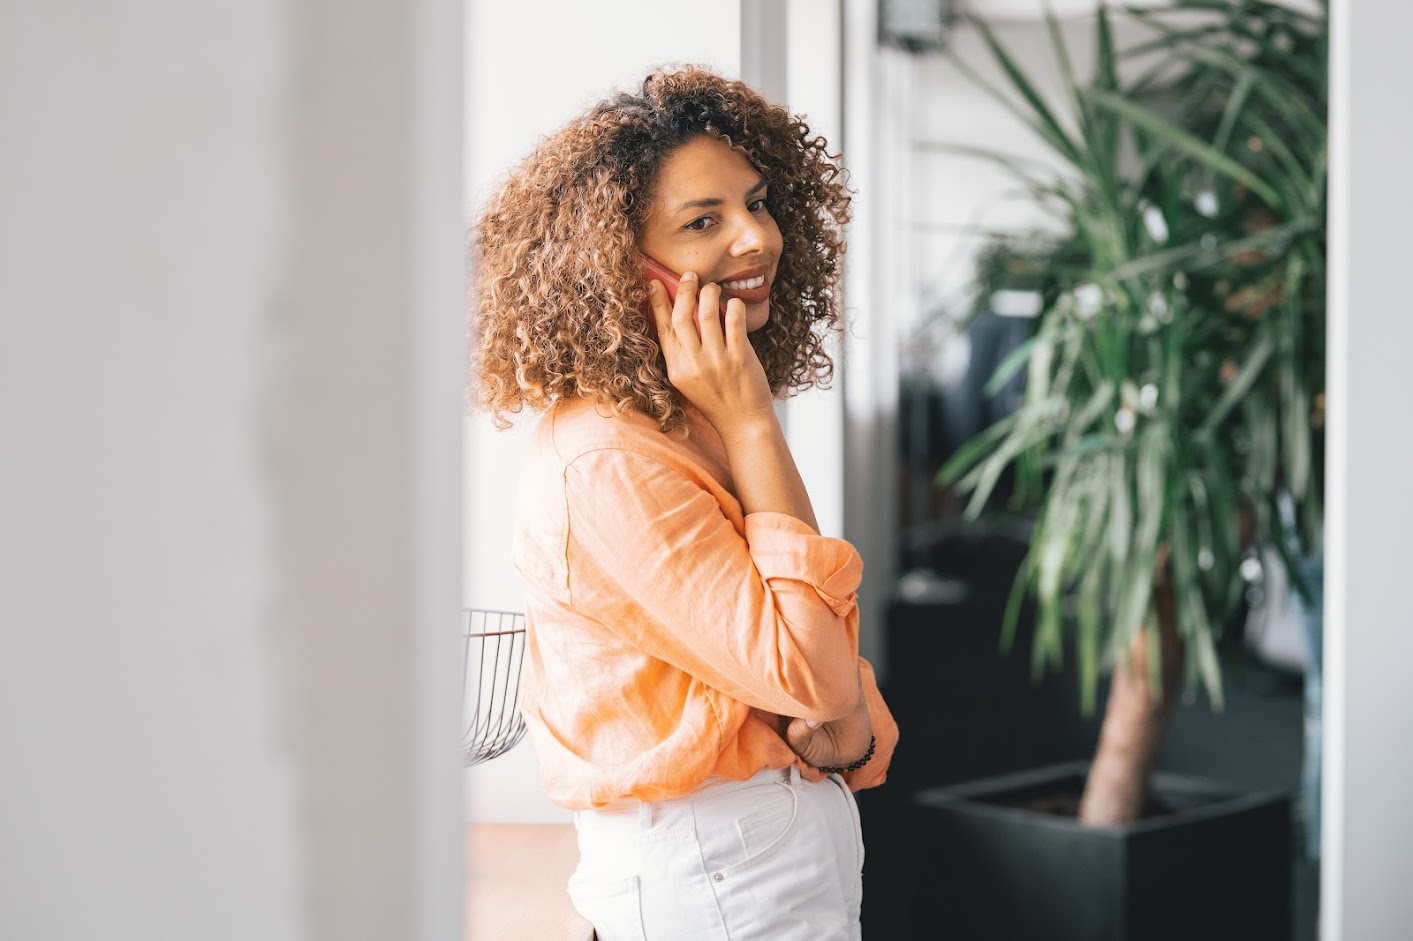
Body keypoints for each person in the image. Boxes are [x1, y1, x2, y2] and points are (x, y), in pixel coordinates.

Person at [473, 65, 899, 941]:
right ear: (615, 267)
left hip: (760, 855)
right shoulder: (606, 462)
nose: (756, 237)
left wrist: (835, 718)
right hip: (718, 873)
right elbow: (816, 679)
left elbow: (839, 724)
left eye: (758, 201)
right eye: (703, 221)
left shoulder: (682, 422)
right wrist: (751, 420)